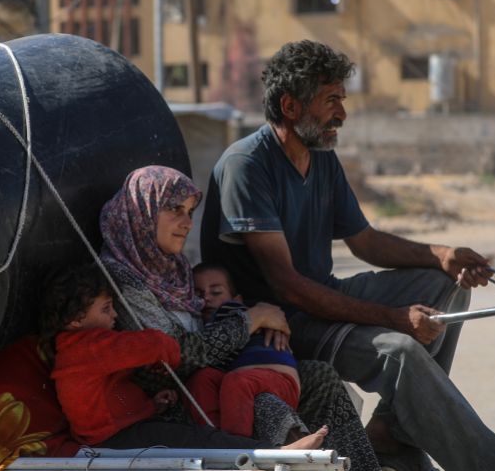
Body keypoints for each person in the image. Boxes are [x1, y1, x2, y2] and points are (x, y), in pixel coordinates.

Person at [200, 40, 495, 471]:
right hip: (282, 322)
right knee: (397, 351)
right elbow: (288, 286)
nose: (342, 115)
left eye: (341, 100)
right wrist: (394, 317)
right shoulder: (246, 166)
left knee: (443, 284)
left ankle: (391, 431)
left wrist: (441, 254)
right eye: (331, 102)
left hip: (322, 297)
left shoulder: (322, 159)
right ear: (290, 106)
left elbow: (365, 241)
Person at [99, 165, 380, 470]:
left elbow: (215, 317)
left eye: (191, 212)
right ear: (143, 210)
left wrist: (266, 326)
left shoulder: (172, 267)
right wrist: (251, 321)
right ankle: (295, 457)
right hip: (170, 400)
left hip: (215, 376)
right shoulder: (123, 277)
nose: (187, 223)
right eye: (174, 209)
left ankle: (364, 466)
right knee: (259, 399)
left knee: (319, 375)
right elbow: (173, 358)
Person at [38, 263, 327, 450]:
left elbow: (111, 398)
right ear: (76, 318)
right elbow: (147, 345)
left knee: (198, 432)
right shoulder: (87, 346)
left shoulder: (77, 345)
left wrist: (151, 405)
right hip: (114, 438)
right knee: (196, 440)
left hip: (121, 428)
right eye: (106, 309)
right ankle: (272, 454)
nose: (115, 316)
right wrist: (170, 346)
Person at [187, 263, 300, 438]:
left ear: (237, 299)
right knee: (202, 379)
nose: (206, 299)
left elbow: (212, 350)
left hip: (280, 382)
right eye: (198, 294)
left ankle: (238, 447)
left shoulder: (232, 311)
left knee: (237, 380)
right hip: (240, 382)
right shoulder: (203, 323)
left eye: (216, 292)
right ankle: (212, 438)